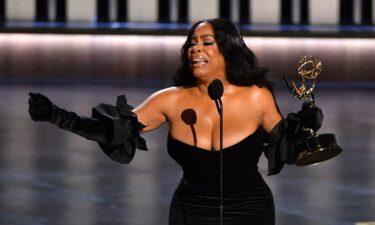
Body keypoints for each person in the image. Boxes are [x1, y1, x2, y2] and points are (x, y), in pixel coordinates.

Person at [28, 18, 323, 225]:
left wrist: (307, 126)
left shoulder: (256, 97)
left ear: (228, 51)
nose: (196, 48)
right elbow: (112, 131)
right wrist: (58, 116)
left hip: (249, 211)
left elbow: (290, 152)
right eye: (192, 43)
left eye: (207, 42)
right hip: (189, 211)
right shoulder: (169, 100)